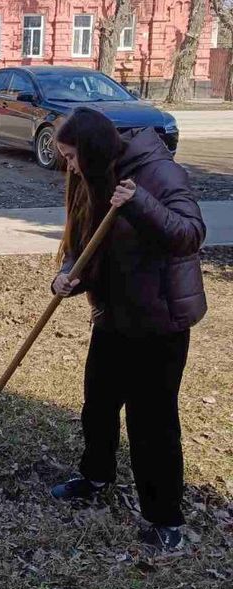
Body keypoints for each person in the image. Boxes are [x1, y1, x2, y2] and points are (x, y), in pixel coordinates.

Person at [49, 107, 206, 551]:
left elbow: (190, 234)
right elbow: (83, 242)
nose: (69, 166)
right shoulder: (92, 176)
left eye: (72, 156)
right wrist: (68, 275)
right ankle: (96, 476)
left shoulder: (158, 172)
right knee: (98, 403)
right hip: (114, 314)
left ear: (94, 151)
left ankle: (164, 518)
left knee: (151, 419)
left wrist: (138, 201)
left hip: (160, 317)